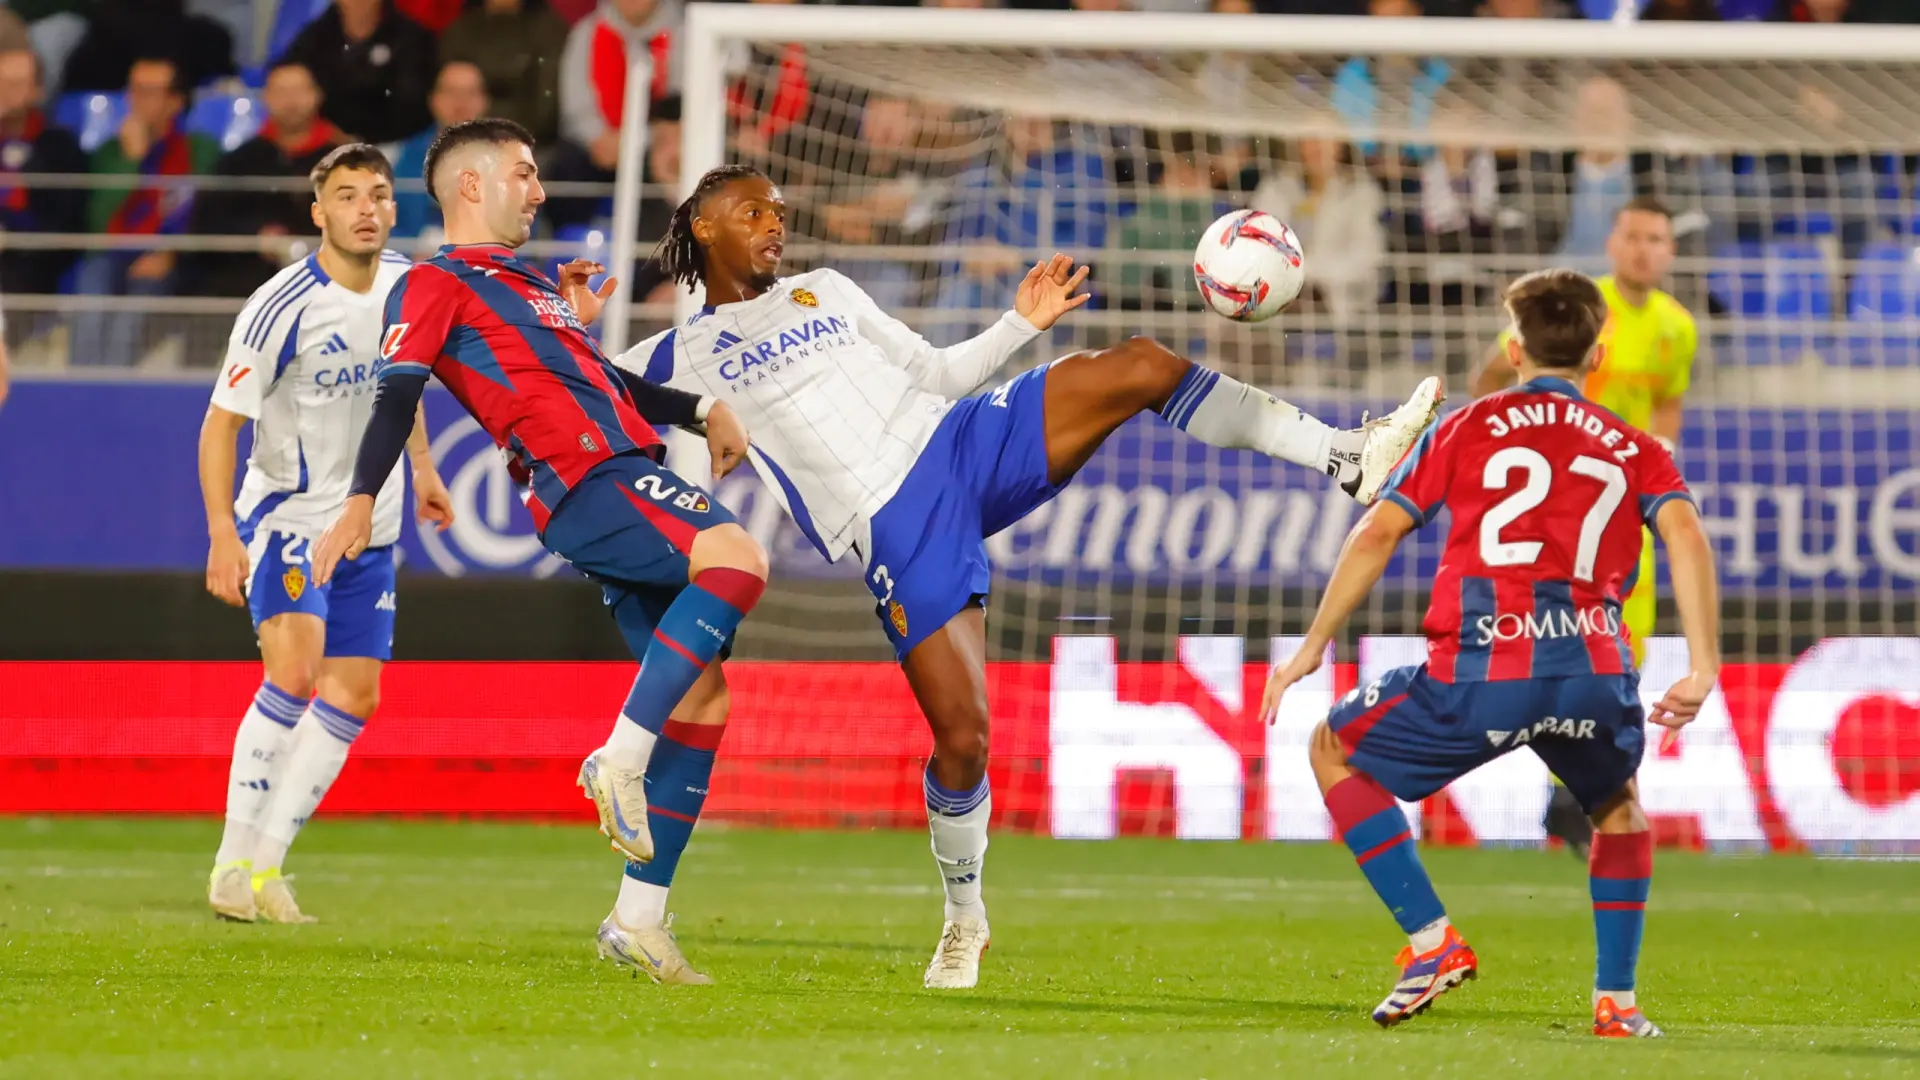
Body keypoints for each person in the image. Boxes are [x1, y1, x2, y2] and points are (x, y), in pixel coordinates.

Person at [601, 163, 1444, 990]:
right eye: (753, 212)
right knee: (964, 736)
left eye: (779, 211)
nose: (775, 223)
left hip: (960, 438)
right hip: (893, 524)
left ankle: (1345, 455)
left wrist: (1017, 326)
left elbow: (934, 374)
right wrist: (570, 324)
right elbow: (578, 388)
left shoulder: (825, 289)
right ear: (703, 227)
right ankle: (964, 917)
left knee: (1141, 364)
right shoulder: (677, 355)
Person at [306, 119, 767, 980]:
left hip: (615, 467)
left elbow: (598, 380)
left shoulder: (527, 285)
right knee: (735, 555)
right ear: (472, 187)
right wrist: (360, 500)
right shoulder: (433, 283)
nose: (541, 189)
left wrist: (700, 410)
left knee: (704, 700)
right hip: (586, 478)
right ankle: (618, 756)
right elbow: (395, 392)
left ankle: (638, 920)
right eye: (524, 173)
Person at [1259, 268, 1720, 1037]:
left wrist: (1314, 644)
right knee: (1619, 810)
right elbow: (1686, 535)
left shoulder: (1467, 427)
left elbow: (1378, 530)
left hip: (1484, 670)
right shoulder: (1635, 446)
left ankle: (1432, 943)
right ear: (1597, 357)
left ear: (1513, 349)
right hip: (1595, 673)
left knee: (1332, 748)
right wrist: (1703, 665)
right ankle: (1618, 1003)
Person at [200, 143, 453, 924]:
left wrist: (428, 471)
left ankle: (267, 868)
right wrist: (220, 533)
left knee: (354, 693)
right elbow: (219, 428)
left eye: (378, 193)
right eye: (347, 196)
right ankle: (228, 865)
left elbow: (400, 393)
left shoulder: (413, 287)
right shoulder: (280, 306)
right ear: (320, 213)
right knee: (296, 672)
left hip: (369, 528)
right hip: (288, 518)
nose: (366, 208)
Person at [1473, 196, 1695, 856]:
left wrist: (1658, 481)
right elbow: (1493, 372)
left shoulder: (1678, 328)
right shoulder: (1570, 306)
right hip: (1558, 507)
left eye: (1657, 238)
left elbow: (1668, 408)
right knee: (1564, 642)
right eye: (1634, 236)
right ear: (1613, 242)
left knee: (1627, 648)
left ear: (1670, 251)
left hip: (1627, 511)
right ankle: (1571, 790)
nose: (1644, 249)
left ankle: (1581, 794)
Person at [71, 56, 219, 367]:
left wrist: (170, 252)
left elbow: (205, 213)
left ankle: (112, 400)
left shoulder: (200, 150)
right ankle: (81, 398)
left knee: (129, 319)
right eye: (135, 90)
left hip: (172, 257)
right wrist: (130, 161)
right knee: (89, 306)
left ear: (175, 101)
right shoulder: (110, 151)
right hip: (110, 253)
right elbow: (98, 221)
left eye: (150, 92)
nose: (137, 101)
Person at [188, 60, 344, 299]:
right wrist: (257, 234)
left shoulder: (345, 160)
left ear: (317, 95)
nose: (291, 101)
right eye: (281, 92)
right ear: (266, 97)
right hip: (244, 283)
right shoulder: (239, 161)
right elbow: (207, 221)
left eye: (299, 91)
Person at [0, 45, 88, 305]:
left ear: (37, 91)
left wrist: (10, 236)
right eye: (1, 82)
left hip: (28, 261)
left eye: (16, 84)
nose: (5, 92)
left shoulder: (58, 146)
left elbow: (61, 220)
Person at [280, 0, 438, 145]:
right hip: (327, 145)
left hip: (401, 144)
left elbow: (415, 101)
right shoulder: (314, 38)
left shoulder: (412, 38)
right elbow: (288, 77)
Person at [438, 0, 569, 145]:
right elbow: (446, 94)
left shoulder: (548, 30)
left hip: (529, 142)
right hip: (464, 136)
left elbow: (547, 105)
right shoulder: (460, 31)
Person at [391, 60, 492, 241]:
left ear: (485, 101)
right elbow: (389, 225)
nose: (461, 102)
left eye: (470, 93)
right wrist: (412, 253)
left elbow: (525, 233)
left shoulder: (508, 159)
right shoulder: (407, 156)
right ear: (434, 100)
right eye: (451, 92)